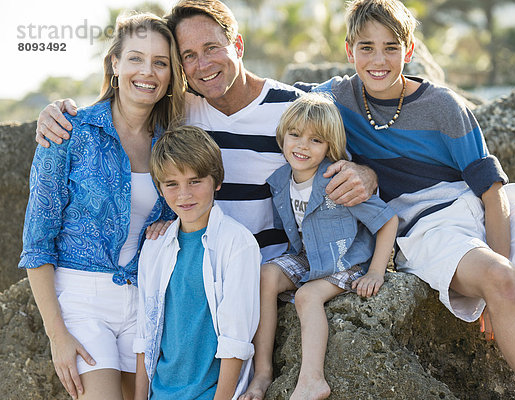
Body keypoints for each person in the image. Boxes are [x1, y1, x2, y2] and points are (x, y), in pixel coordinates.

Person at [313, 0, 515, 399]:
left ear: (409, 50)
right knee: (500, 279)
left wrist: (505, 277)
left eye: (391, 47)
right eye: (366, 47)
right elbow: (272, 101)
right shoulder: (334, 99)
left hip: (485, 209)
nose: (378, 60)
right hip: (428, 227)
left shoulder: (443, 105)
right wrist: (500, 285)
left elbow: (491, 190)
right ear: (349, 51)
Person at [34, 0, 378, 264]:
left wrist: (366, 173)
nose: (203, 64)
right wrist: (60, 112)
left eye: (212, 48)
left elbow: (340, 175)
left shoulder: (293, 109)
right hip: (199, 273)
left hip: (272, 274)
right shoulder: (177, 113)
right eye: (188, 55)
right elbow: (128, 103)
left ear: (237, 46)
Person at [19, 12, 185, 400]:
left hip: (144, 303)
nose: (148, 71)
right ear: (114, 63)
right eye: (136, 58)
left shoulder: (173, 143)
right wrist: (58, 336)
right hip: (82, 301)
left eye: (160, 62)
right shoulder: (67, 131)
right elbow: (37, 242)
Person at [242, 92, 398, 400]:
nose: (302, 145)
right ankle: (262, 373)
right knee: (266, 276)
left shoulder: (337, 180)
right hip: (309, 257)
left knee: (307, 295)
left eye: (316, 140)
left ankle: (312, 380)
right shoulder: (280, 180)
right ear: (282, 136)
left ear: (329, 147)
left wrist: (377, 271)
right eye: (295, 135)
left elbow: (388, 219)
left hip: (345, 260)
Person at [133, 125, 260, 400]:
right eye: (171, 184)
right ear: (160, 187)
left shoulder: (237, 243)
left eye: (194, 181)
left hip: (212, 394)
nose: (184, 195)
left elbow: (235, 340)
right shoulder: (155, 246)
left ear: (216, 180)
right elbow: (146, 335)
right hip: (160, 394)